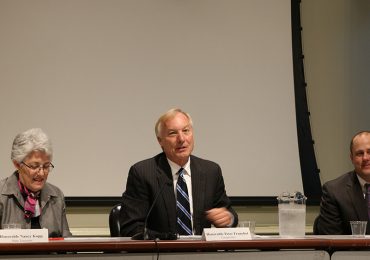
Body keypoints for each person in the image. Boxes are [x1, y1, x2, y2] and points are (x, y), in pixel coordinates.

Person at [119, 108, 238, 237]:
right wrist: (170, 240)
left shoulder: (210, 171)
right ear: (160, 141)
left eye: (186, 131)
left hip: (201, 253)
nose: (181, 139)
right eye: (172, 133)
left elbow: (229, 213)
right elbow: (131, 228)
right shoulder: (143, 173)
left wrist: (228, 218)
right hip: (162, 253)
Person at [0, 128, 71, 237]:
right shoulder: (2, 195)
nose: (42, 173)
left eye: (46, 166)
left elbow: (67, 243)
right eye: (34, 166)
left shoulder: (56, 196)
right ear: (17, 164)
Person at [315, 131, 370, 235]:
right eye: (359, 153)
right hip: (355, 251)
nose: (365, 158)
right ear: (352, 158)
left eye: (369, 151)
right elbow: (331, 242)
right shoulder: (334, 192)